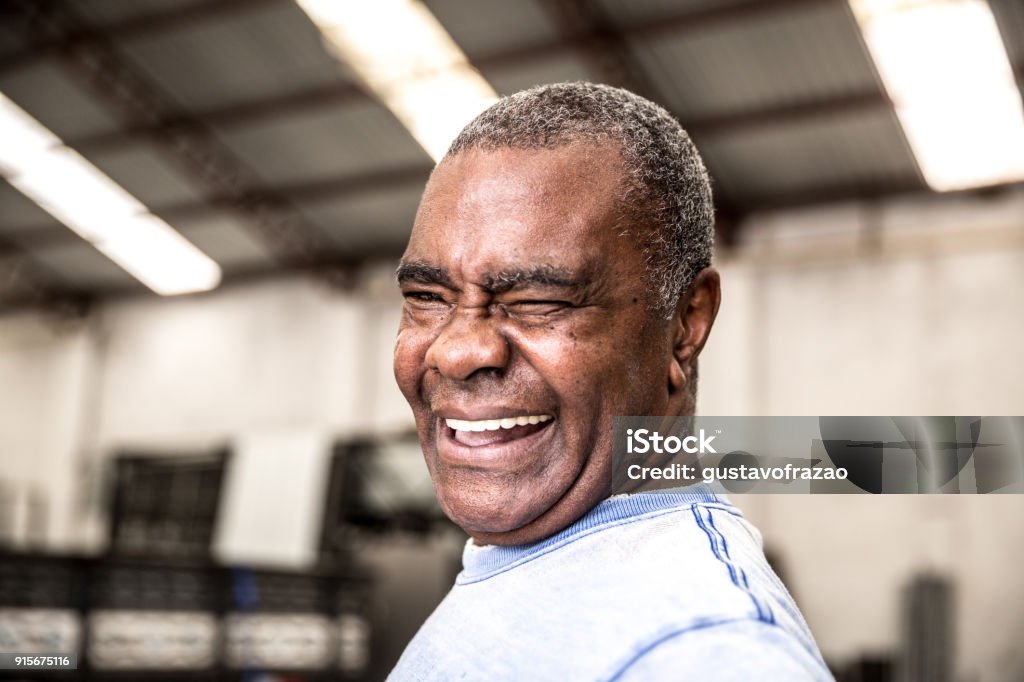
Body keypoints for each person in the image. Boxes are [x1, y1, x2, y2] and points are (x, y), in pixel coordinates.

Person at [390, 82, 832, 680]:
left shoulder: (702, 652)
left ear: (684, 323)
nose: (460, 350)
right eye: (426, 297)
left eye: (538, 299)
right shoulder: (537, 567)